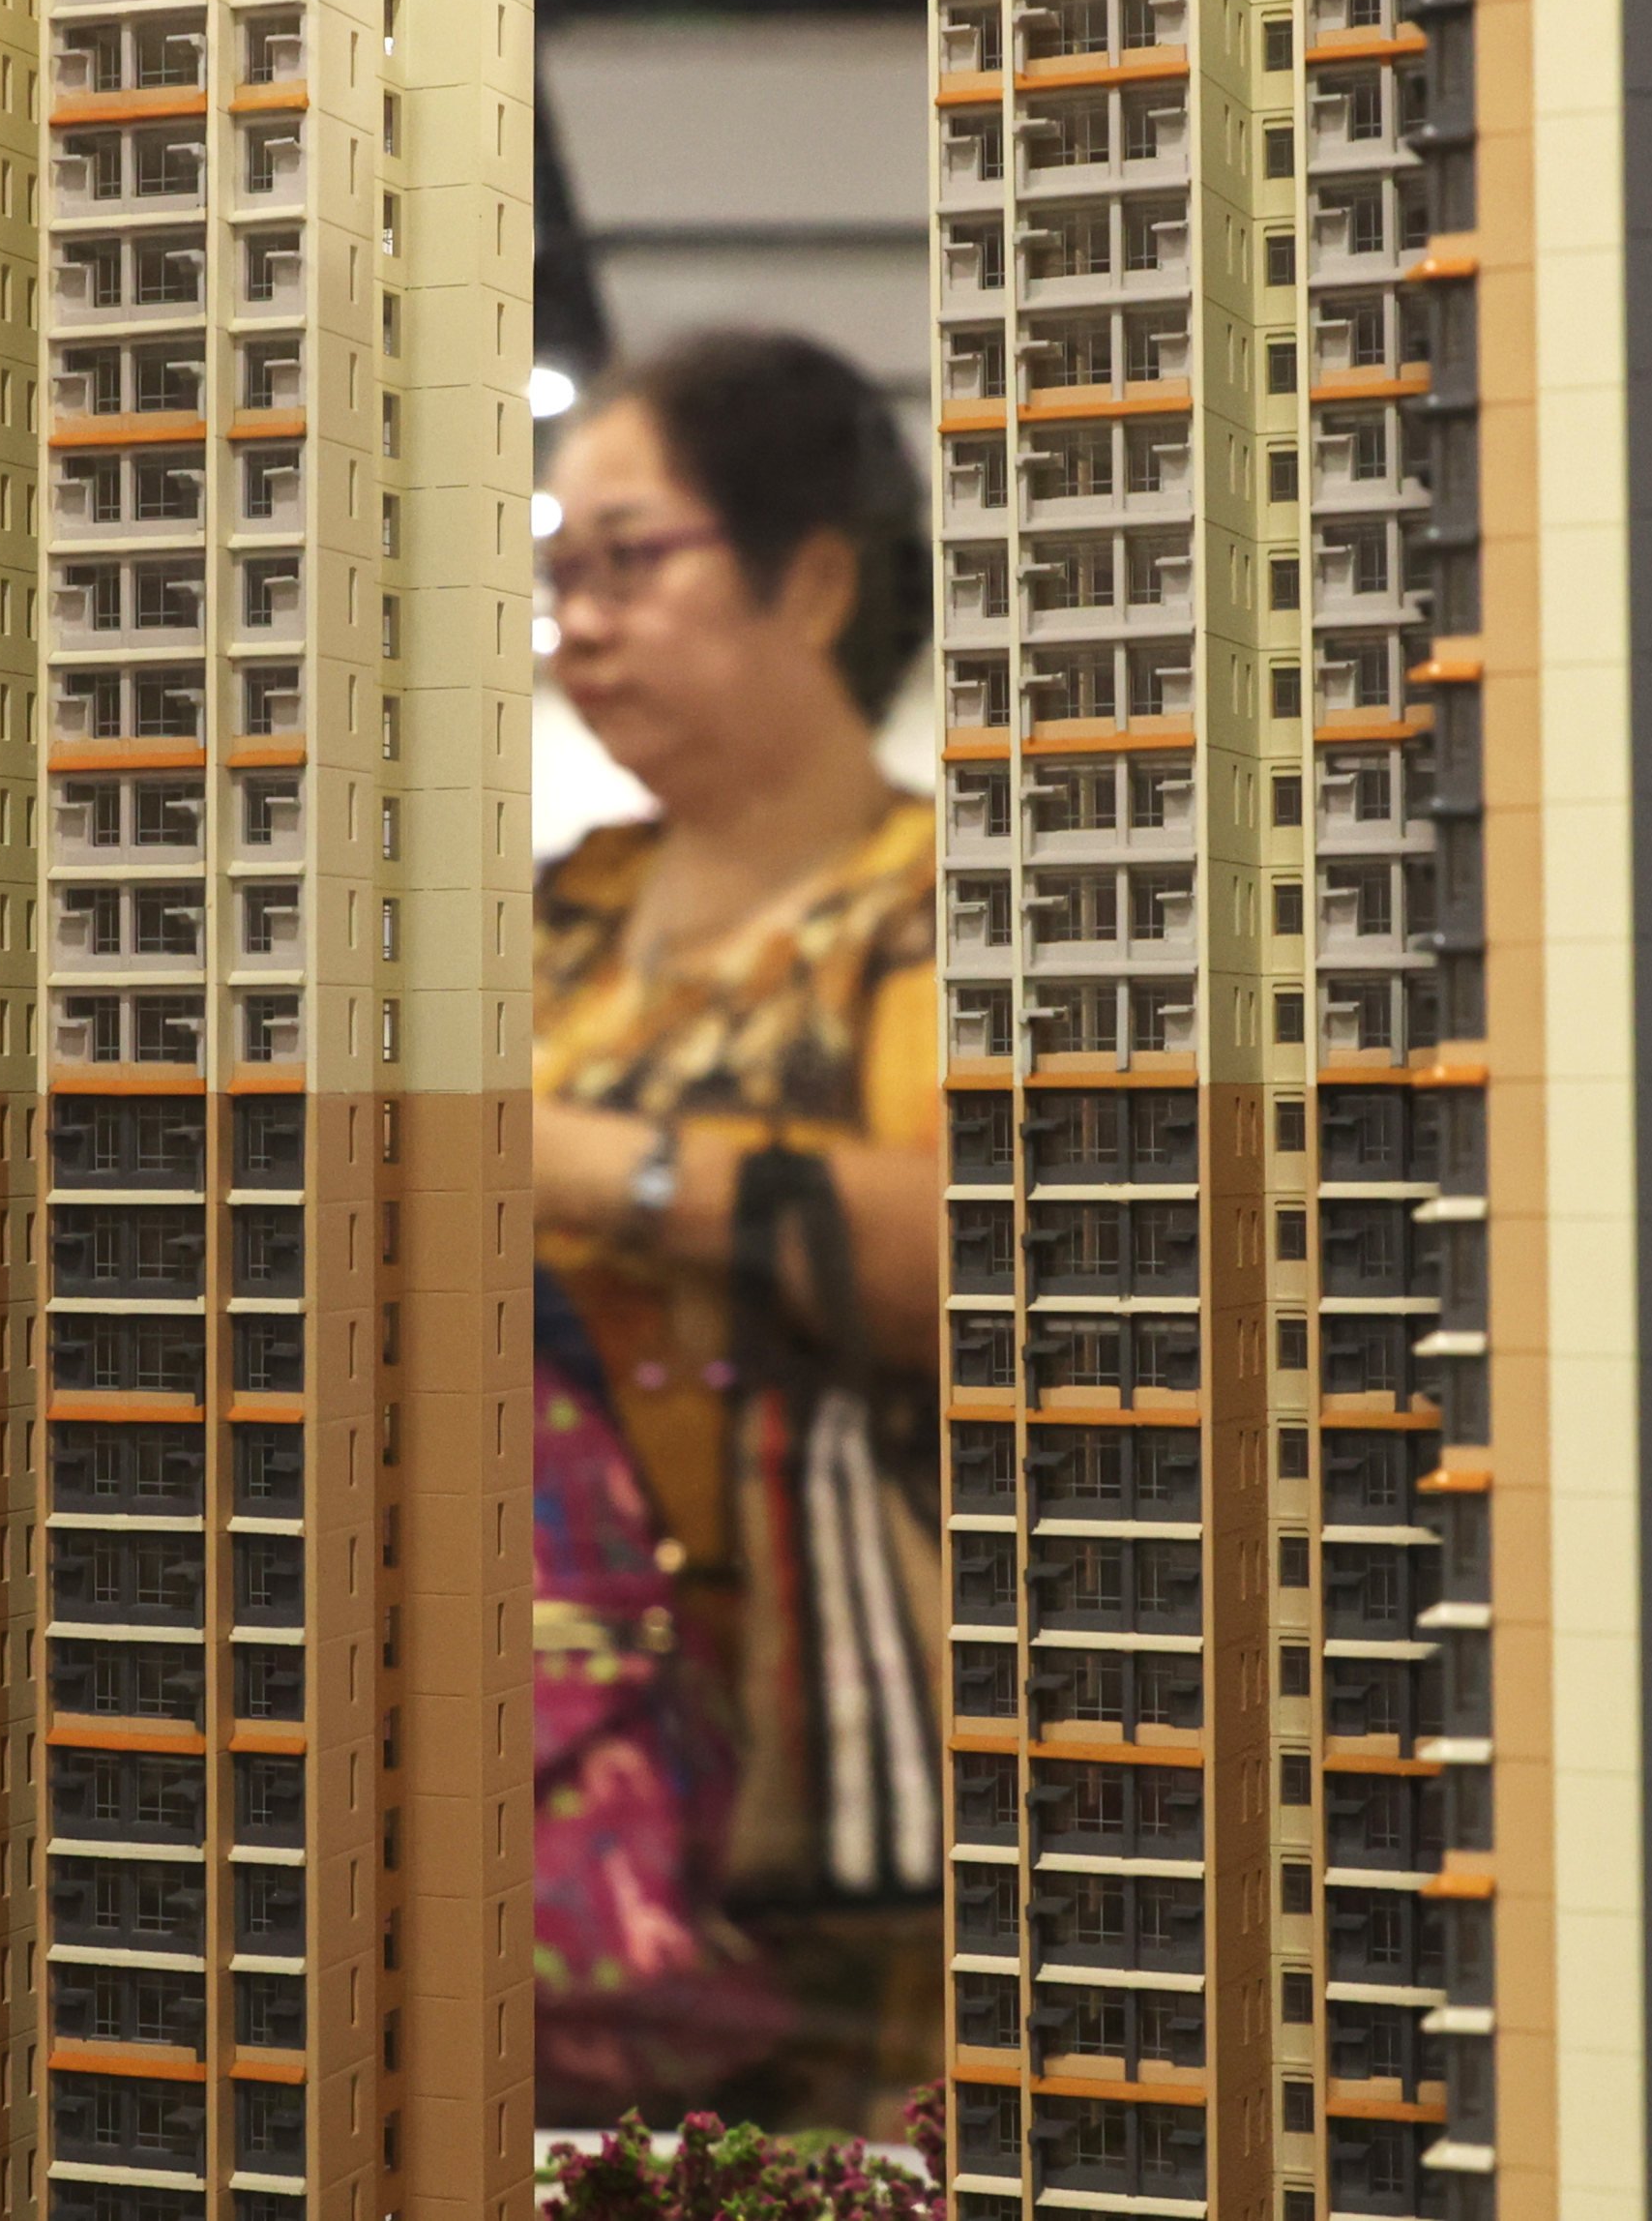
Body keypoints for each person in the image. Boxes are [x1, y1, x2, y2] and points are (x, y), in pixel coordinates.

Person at [531, 328, 945, 2135]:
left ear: (819, 575)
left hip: (845, 1789)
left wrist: (578, 1169)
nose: (582, 622)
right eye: (557, 577)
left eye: (630, 558)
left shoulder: (938, 905)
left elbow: (972, 1250)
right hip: (558, 1801)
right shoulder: (549, 917)